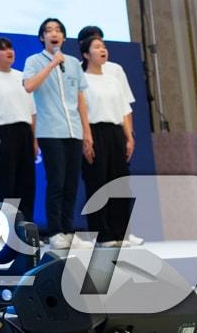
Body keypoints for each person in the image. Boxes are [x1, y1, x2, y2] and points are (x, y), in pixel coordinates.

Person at [24, 17, 91, 251]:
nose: (54, 33)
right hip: (50, 130)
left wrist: (87, 133)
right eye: (49, 30)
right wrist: (51, 64)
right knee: (57, 182)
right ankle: (55, 232)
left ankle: (68, 230)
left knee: (72, 183)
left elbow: (80, 100)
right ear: (42, 37)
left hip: (74, 130)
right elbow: (29, 85)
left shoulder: (73, 63)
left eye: (58, 30)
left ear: (63, 37)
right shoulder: (34, 61)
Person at [78, 29, 136, 246]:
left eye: (103, 46)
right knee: (97, 182)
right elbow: (81, 109)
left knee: (120, 183)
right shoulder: (82, 80)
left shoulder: (113, 80)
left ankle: (120, 232)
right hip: (95, 132)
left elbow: (123, 110)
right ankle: (102, 234)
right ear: (85, 54)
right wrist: (86, 137)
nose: (102, 50)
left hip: (116, 133)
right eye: (96, 47)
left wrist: (129, 137)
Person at [0, 37, 36, 227]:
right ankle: (7, 227)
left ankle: (26, 227)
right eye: (3, 49)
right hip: (2, 132)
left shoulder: (22, 77)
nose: (9, 52)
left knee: (26, 182)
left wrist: (34, 139)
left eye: (10, 48)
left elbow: (32, 111)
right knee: (6, 182)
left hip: (25, 131)